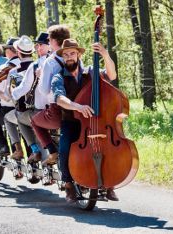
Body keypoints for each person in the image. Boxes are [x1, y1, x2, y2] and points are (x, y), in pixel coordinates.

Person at [51, 38, 119, 203]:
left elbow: (112, 75)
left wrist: (104, 53)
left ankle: (108, 184)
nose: (69, 57)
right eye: (66, 54)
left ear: (79, 55)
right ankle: (68, 183)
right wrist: (76, 106)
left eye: (72, 53)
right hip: (72, 121)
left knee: (108, 148)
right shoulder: (58, 77)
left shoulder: (91, 72)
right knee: (65, 148)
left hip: (95, 122)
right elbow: (59, 98)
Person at [31, 25, 70, 166]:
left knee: (34, 121)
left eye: (48, 39)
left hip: (57, 110)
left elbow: (44, 90)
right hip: (75, 107)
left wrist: (41, 76)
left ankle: (53, 152)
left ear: (53, 41)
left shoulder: (50, 62)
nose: (48, 41)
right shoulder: (74, 56)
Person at [11, 32, 50, 163]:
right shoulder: (59, 61)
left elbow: (23, 89)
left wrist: (12, 93)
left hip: (42, 112)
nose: (38, 48)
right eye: (37, 45)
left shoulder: (35, 66)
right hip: (60, 109)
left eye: (41, 45)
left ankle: (34, 150)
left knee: (19, 116)